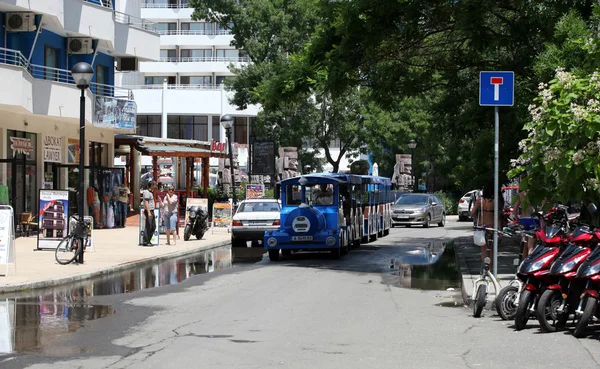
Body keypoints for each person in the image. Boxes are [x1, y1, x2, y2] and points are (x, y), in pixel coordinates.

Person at [471, 179, 504, 270]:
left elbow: (473, 212)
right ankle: (491, 268)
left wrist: (478, 219)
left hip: (481, 226)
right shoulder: (495, 201)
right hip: (491, 226)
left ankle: (485, 268)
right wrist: (500, 230)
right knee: (492, 249)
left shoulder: (480, 200)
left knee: (483, 250)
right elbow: (497, 217)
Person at [512, 174, 537, 259]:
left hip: (523, 219)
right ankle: (529, 264)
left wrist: (517, 219)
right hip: (532, 219)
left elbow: (514, 210)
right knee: (531, 245)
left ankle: (522, 265)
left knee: (524, 244)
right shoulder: (534, 194)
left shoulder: (520, 194)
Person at [142, 181, 157, 246]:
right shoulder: (147, 192)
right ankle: (145, 241)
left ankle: (148, 240)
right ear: (151, 185)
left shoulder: (150, 192)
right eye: (154, 185)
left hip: (152, 211)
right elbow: (146, 202)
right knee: (148, 226)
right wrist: (148, 212)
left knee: (153, 226)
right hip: (149, 211)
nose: (155, 186)